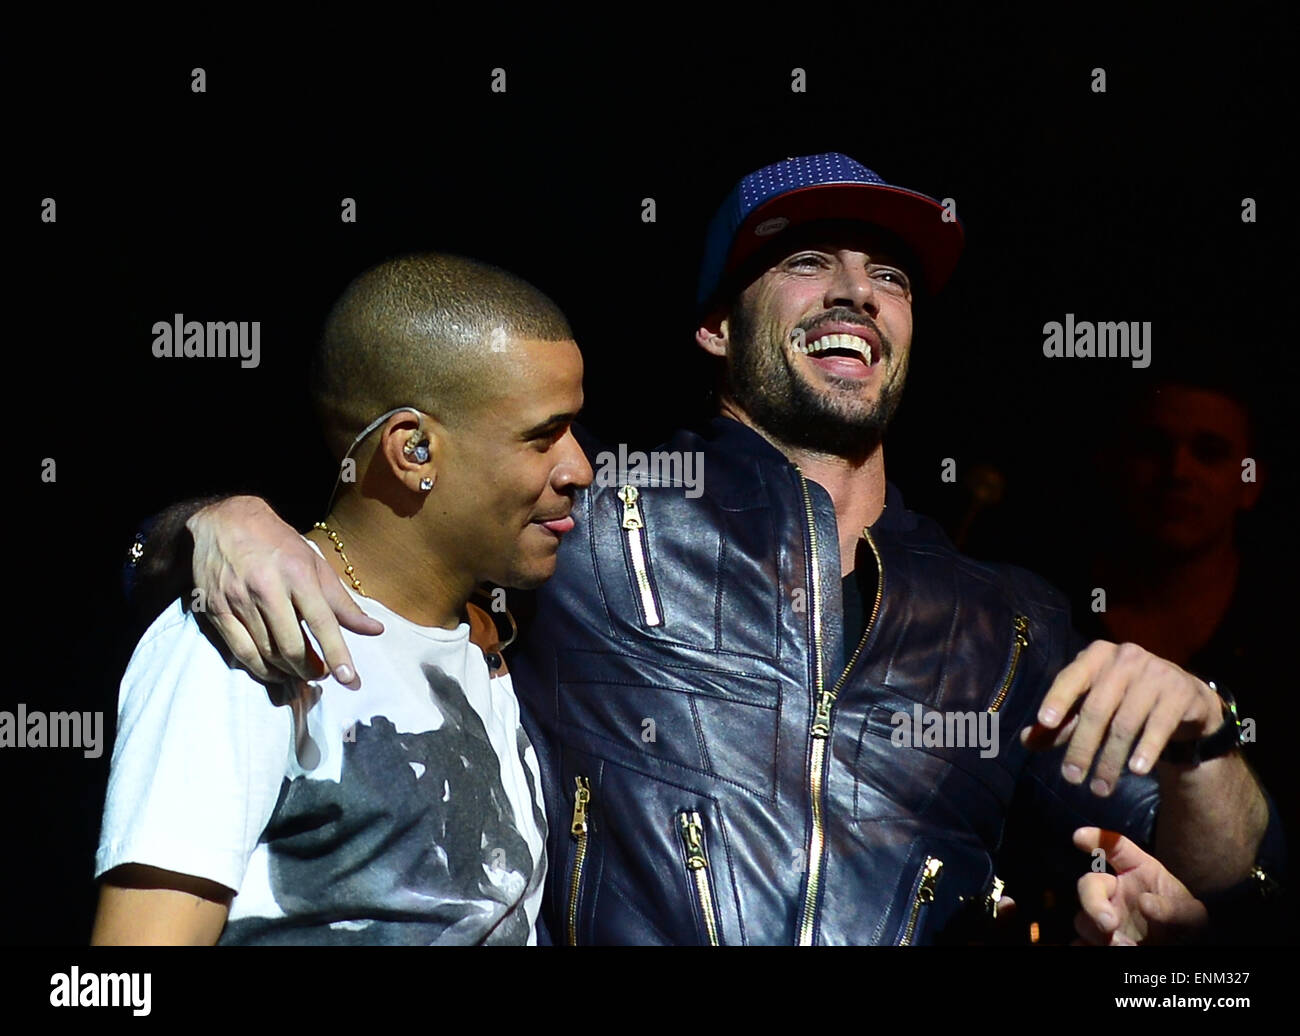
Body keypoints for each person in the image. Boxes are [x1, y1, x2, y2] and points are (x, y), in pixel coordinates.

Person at [130, 154, 1286, 945]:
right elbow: (361, 523)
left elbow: (1224, 879)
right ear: (713, 325)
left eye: (890, 275)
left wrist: (1205, 741)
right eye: (805, 262)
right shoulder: (580, 513)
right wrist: (216, 522)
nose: (855, 293)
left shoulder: (1010, 615)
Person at [94, 253, 592, 944]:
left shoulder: (490, 641)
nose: (580, 467)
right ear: (413, 449)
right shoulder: (249, 634)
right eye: (543, 437)